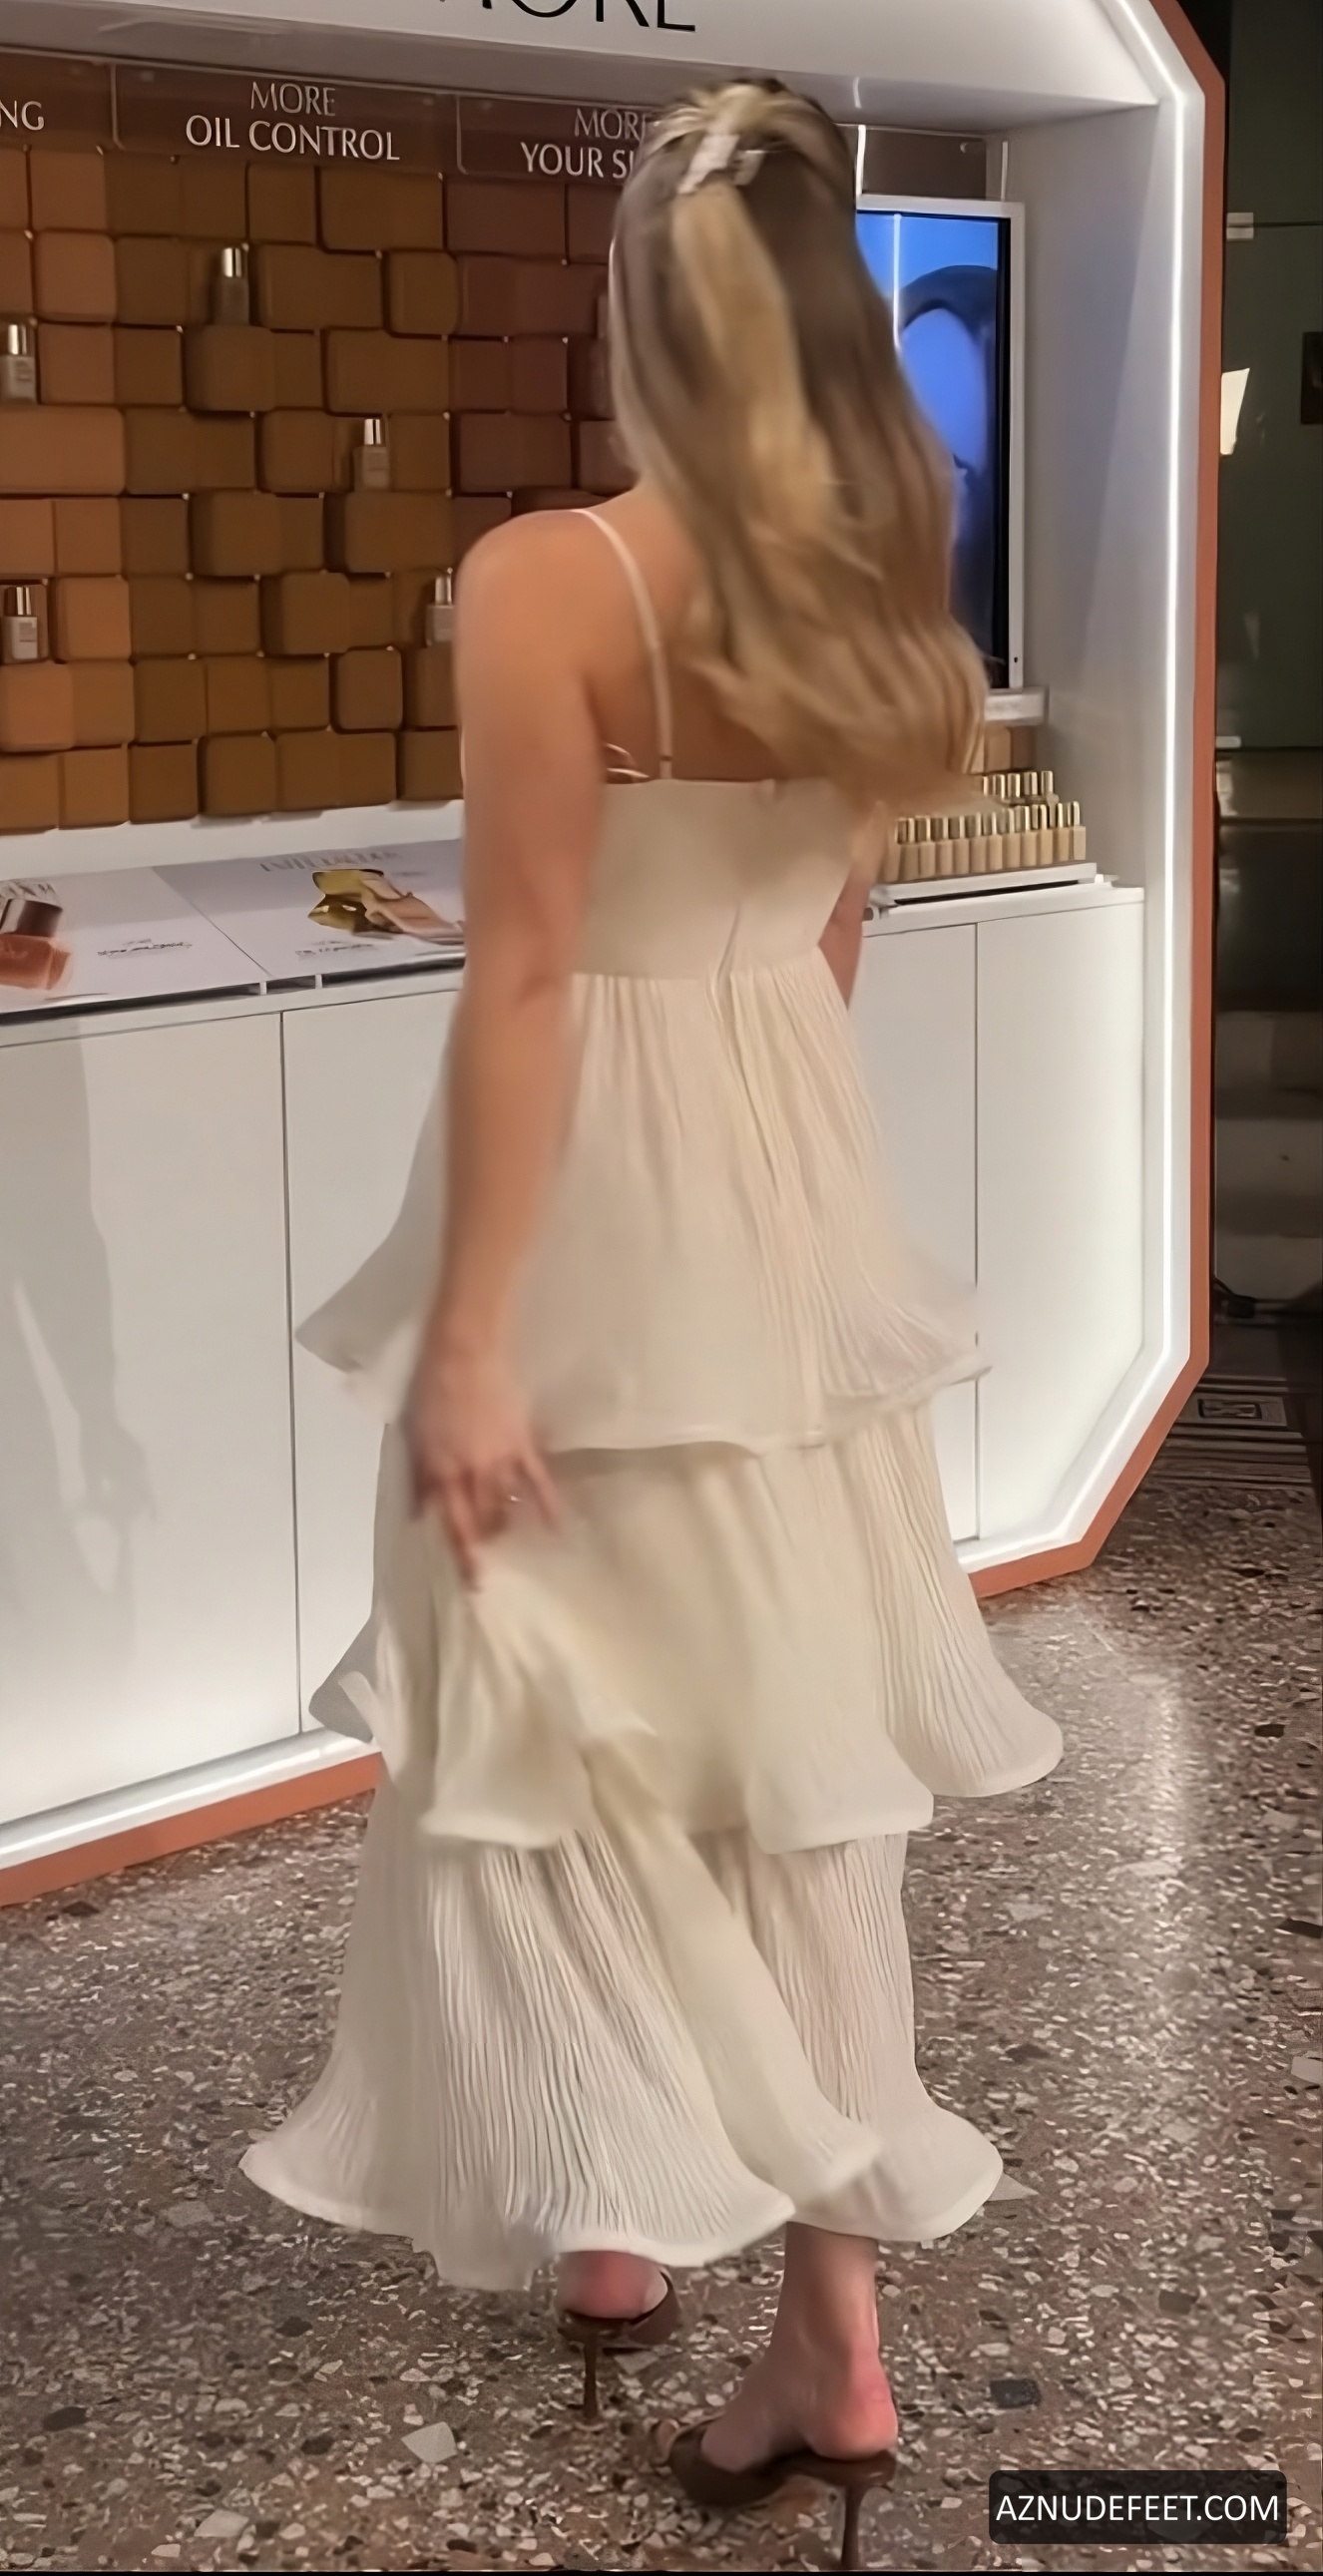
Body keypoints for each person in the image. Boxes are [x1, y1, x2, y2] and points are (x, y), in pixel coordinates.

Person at [242, 78, 1062, 2572]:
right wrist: (768, 1169)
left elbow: (520, 972)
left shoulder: (550, 579)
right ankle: (742, 2263)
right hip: (791, 1207)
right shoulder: (891, 588)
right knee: (780, 1744)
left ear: (639, 311)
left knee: (542, 1719)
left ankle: (710, 2250)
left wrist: (477, 1337)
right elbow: (837, 925)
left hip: (586, 1201)